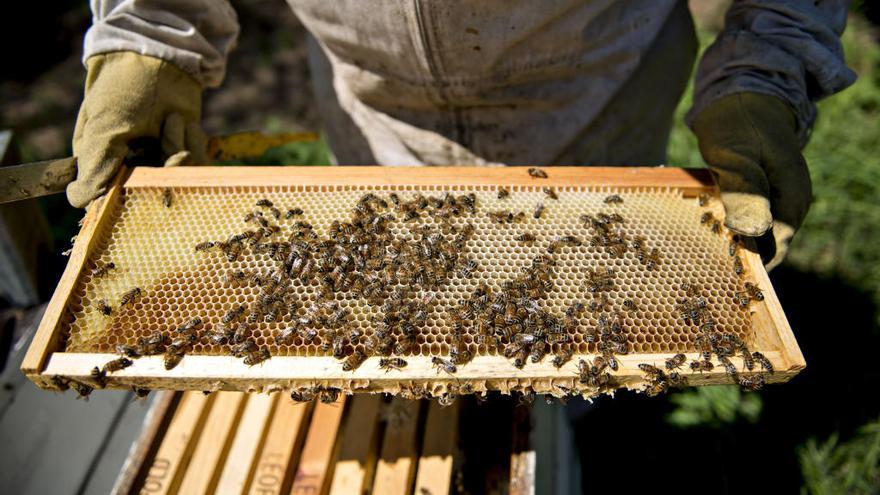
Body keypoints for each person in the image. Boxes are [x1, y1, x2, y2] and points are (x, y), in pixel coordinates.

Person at [68, 0, 855, 269]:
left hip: (595, 95)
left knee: (592, 296)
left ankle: (579, 416)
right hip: (374, 109)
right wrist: (149, 34)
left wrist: (764, 75)